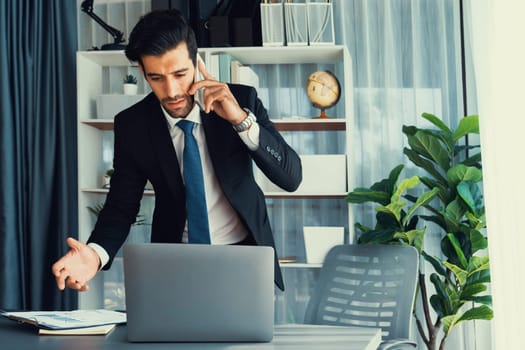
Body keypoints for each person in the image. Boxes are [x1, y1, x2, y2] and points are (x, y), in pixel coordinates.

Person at [52, 9, 302, 292]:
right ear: (143, 73)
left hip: (244, 257)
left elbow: (291, 178)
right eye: (156, 77)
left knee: (244, 336)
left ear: (197, 62)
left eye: (180, 74)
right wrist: (95, 255)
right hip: (174, 260)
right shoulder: (132, 125)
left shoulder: (241, 100)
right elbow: (121, 206)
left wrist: (240, 121)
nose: (171, 91)